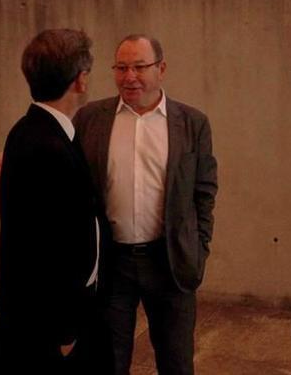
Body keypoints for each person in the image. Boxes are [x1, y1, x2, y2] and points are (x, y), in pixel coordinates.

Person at [73, 34, 218, 375]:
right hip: (112, 263)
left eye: (139, 67)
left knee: (176, 361)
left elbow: (204, 191)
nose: (130, 77)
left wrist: (198, 250)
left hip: (169, 261)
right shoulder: (90, 119)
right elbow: (66, 173)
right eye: (121, 68)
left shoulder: (192, 123)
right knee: (108, 361)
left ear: (161, 69)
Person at [0, 29, 109, 373]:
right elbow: (49, 246)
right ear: (81, 80)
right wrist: (66, 328)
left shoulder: (30, 130)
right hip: (54, 324)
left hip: (44, 315)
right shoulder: (49, 144)